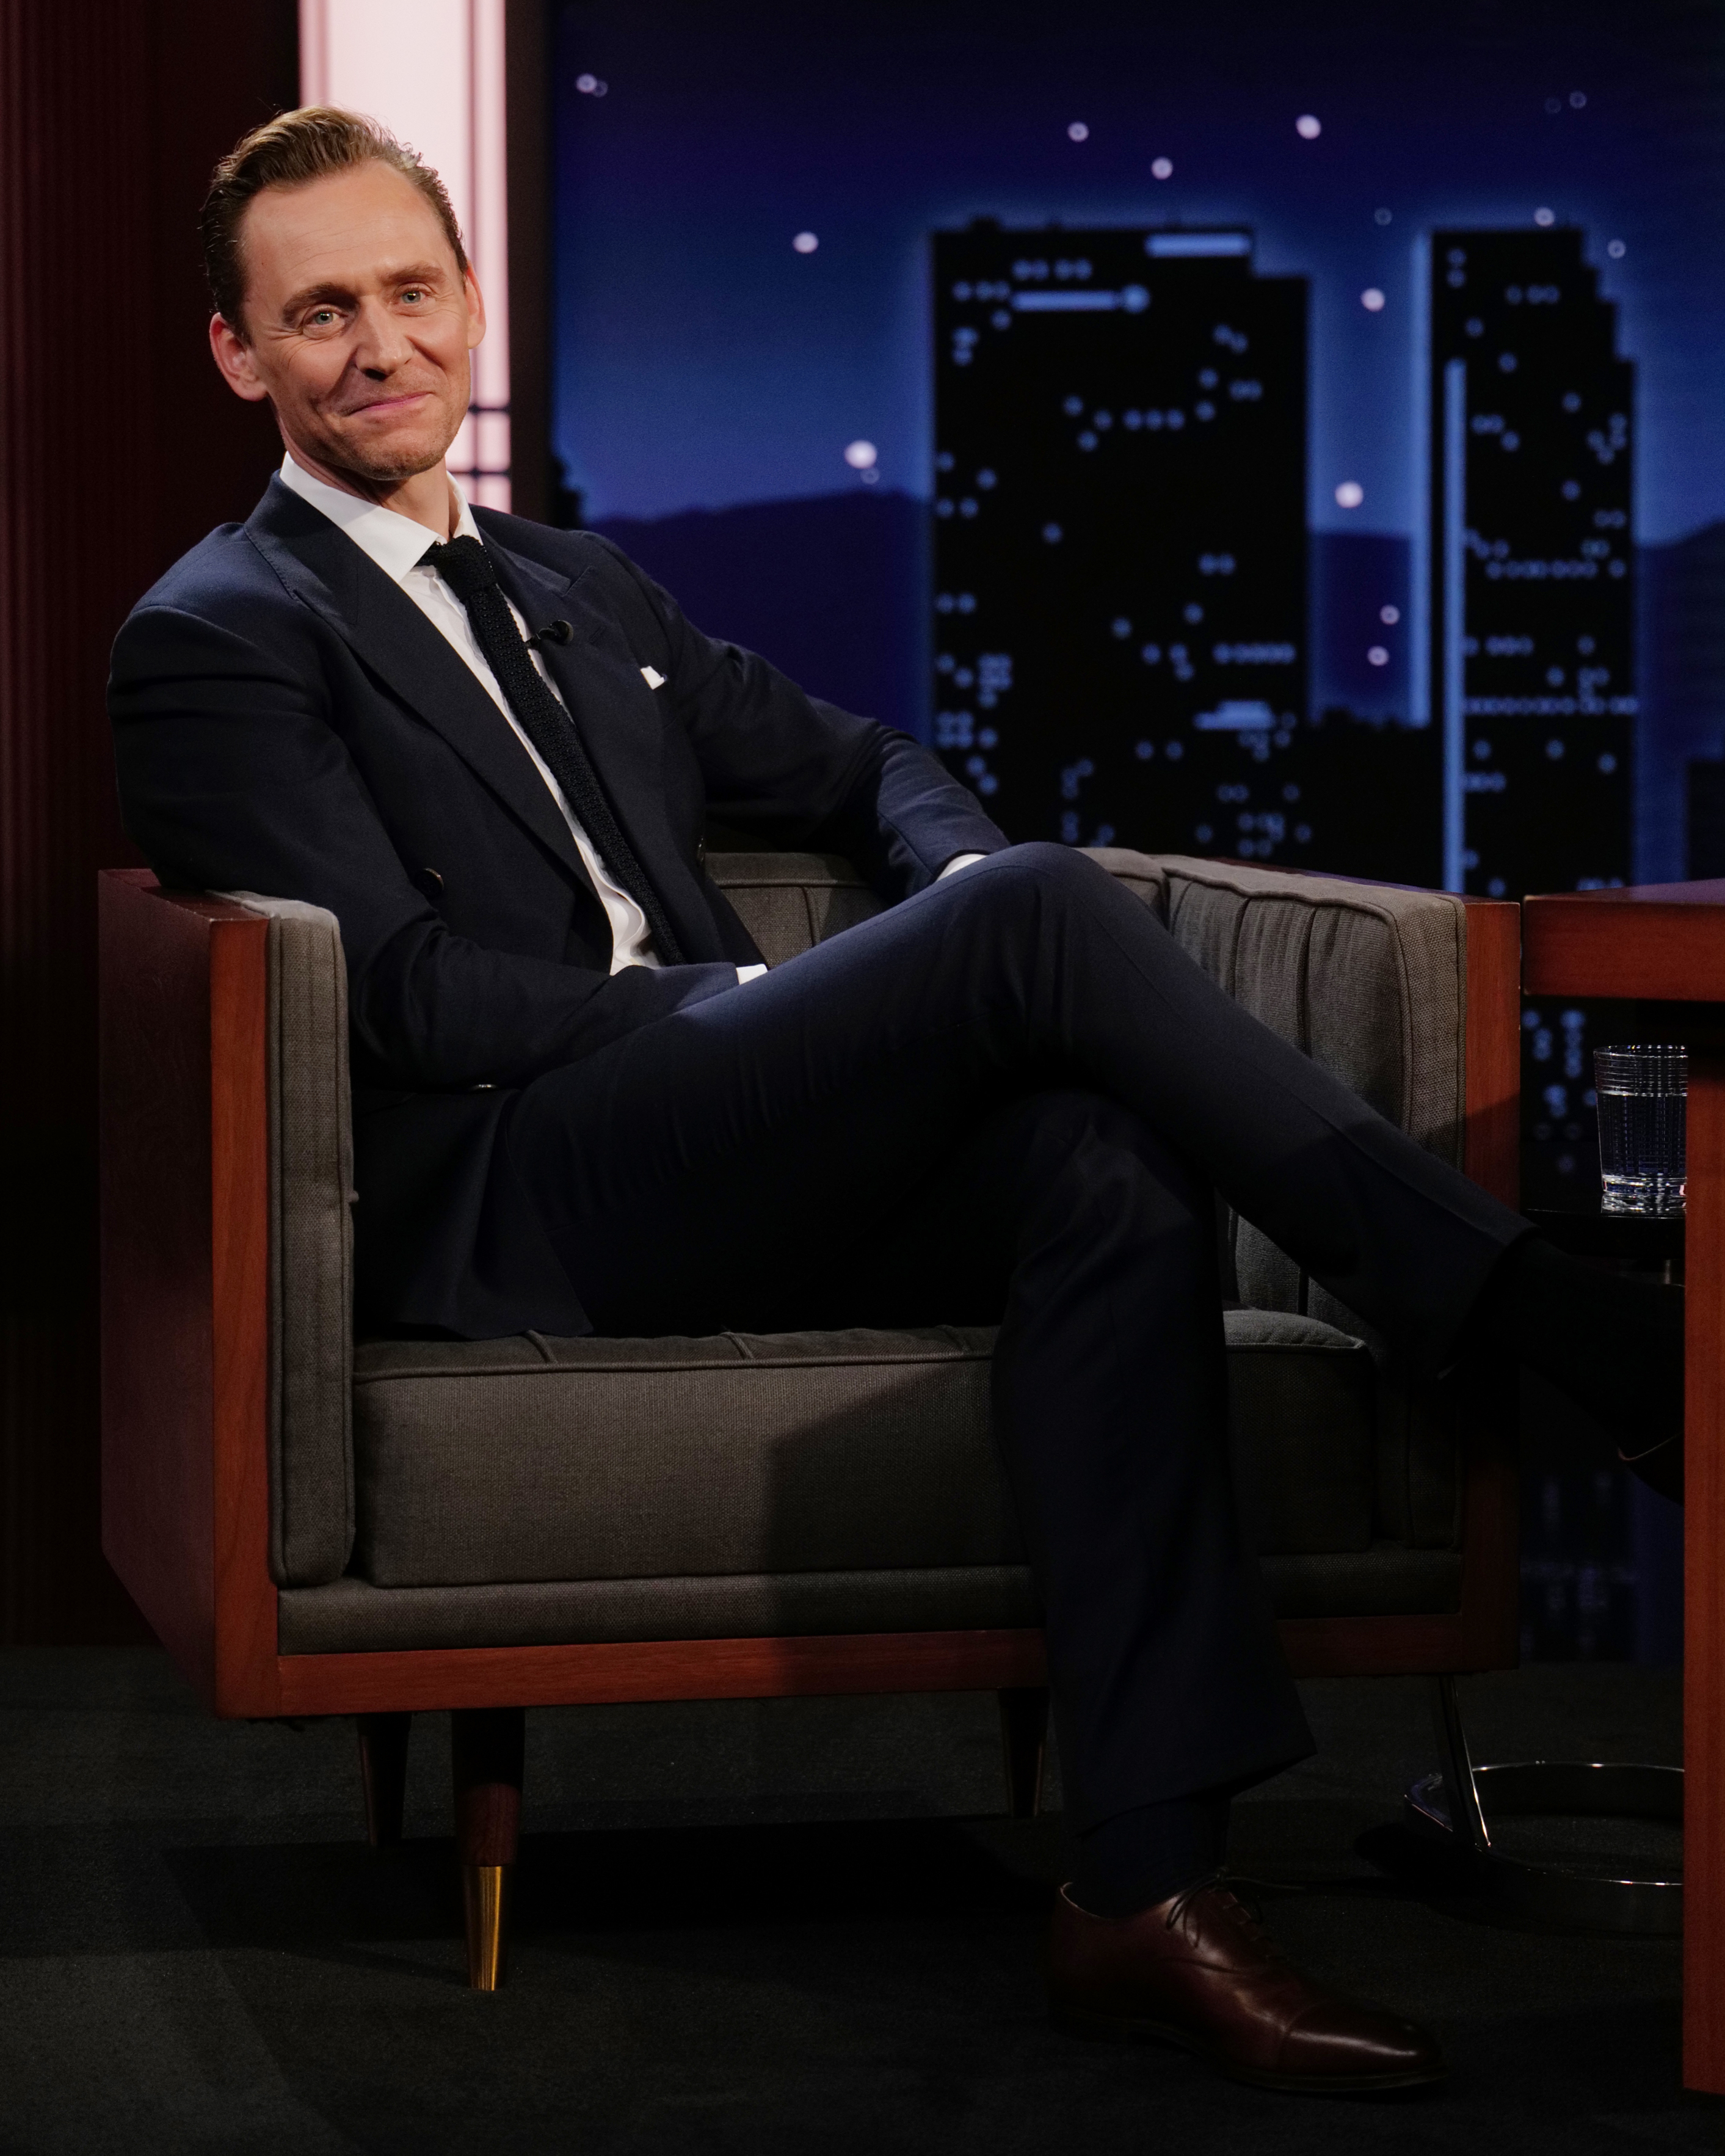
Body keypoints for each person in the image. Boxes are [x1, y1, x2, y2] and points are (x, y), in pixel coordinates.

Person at [107, 107, 1681, 2096]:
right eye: (319, 311)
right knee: (1033, 914)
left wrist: (942, 911)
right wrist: (762, 996)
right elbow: (403, 995)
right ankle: (1554, 1322)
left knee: (1095, 1159)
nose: (377, 345)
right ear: (239, 353)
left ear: (469, 303)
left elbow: (868, 765)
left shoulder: (578, 584)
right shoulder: (220, 633)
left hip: (707, 1143)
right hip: (516, 1179)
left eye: (408, 291)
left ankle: (1142, 1885)